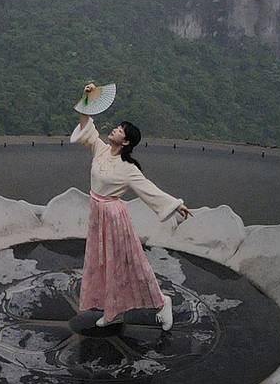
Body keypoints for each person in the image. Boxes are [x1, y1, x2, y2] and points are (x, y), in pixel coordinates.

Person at [70, 82, 193, 330]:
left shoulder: (129, 169)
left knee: (129, 264)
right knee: (102, 264)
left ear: (126, 142)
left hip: (114, 218)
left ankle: (162, 302)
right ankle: (112, 310)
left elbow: (150, 190)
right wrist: (87, 98)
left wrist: (176, 205)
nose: (115, 129)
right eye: (117, 127)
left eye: (120, 130)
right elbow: (85, 124)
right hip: (97, 215)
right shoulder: (100, 149)